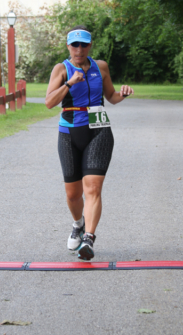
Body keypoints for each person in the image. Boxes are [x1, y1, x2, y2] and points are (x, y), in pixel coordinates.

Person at [45, 26, 134, 261]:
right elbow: (49, 102)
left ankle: (89, 239)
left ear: (90, 45)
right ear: (68, 46)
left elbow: (111, 97)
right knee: (73, 194)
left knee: (93, 188)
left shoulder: (100, 67)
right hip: (69, 133)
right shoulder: (61, 69)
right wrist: (70, 83)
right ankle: (78, 224)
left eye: (84, 44)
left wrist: (122, 94)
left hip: (99, 130)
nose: (79, 49)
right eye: (75, 45)